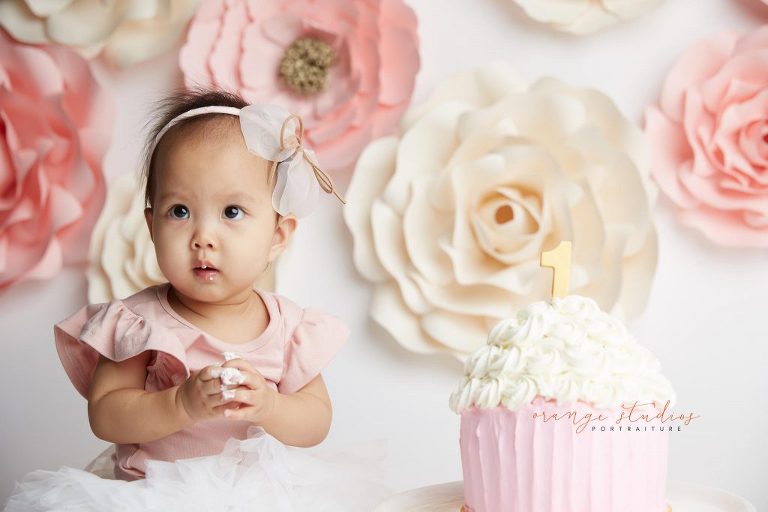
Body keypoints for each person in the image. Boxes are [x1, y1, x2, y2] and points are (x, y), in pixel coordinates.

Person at [5, 89, 386, 511]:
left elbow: (316, 421)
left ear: (277, 236)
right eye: (180, 211)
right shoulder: (139, 323)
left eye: (232, 212)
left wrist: (270, 405)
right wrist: (179, 403)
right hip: (154, 497)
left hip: (260, 498)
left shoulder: (289, 327)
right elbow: (106, 414)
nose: (203, 237)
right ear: (151, 225)